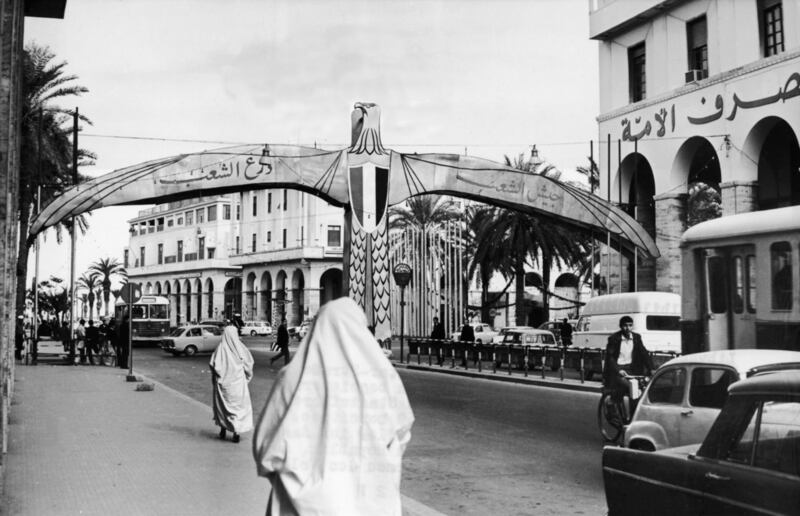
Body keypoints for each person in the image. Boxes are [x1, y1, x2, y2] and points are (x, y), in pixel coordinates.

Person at [253, 297, 414, 515]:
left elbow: (265, 445)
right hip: (370, 502)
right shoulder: (382, 378)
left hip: (298, 505)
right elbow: (401, 432)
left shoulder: (293, 378)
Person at [210, 325, 255, 444]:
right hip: (238, 385)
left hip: (223, 385)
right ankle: (236, 432)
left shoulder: (220, 349)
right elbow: (249, 364)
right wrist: (247, 377)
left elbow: (213, 365)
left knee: (223, 407)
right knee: (238, 408)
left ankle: (223, 429)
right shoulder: (241, 348)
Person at [602, 315, 654, 404]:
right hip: (618, 370)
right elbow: (610, 358)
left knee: (638, 392)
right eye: (625, 325)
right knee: (630, 387)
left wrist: (652, 369)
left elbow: (644, 353)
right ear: (621, 326)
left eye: (630, 325)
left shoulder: (636, 337)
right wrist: (618, 370)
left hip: (632, 369)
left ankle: (632, 415)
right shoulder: (614, 338)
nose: (628, 328)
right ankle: (611, 403)